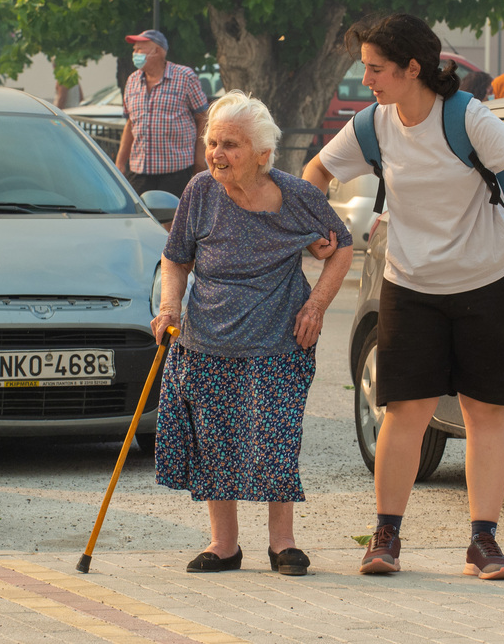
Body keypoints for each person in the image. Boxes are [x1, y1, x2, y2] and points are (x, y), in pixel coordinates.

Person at [302, 13, 504, 581]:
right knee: (405, 412)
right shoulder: (373, 124)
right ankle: (386, 537)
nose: (365, 79)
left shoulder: (466, 116)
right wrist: (317, 222)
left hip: (490, 281)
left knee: (484, 411)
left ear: (411, 68)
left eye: (376, 69)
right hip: (411, 285)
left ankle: (483, 542)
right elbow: (316, 171)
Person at [151, 90, 354, 576]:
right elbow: (176, 258)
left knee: (275, 437)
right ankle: (224, 545)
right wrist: (169, 304)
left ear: (263, 155)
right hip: (206, 338)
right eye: (213, 142)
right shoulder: (200, 191)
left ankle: (282, 543)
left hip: (278, 340)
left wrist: (317, 305)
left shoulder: (298, 196)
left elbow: (342, 247)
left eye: (231, 145)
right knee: (215, 440)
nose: (217, 154)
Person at [114, 29, 210, 196]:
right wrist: (120, 163)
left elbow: (203, 117)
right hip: (140, 169)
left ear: (157, 51)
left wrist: (199, 157)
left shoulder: (184, 77)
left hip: (176, 169)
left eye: (139, 50)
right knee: (143, 218)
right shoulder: (132, 81)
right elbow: (130, 124)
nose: (135, 54)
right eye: (134, 50)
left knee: (173, 219)